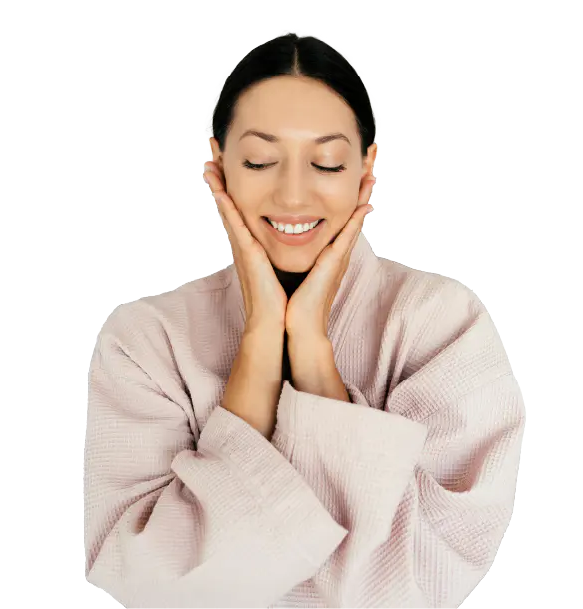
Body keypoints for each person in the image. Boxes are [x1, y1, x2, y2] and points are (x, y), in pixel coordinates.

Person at [83, 31, 525, 609]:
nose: (293, 195)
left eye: (326, 162)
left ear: (365, 166)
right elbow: (154, 587)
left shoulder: (442, 328)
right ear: (218, 164)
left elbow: (424, 579)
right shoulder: (145, 342)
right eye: (260, 161)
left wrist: (312, 350)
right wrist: (260, 343)